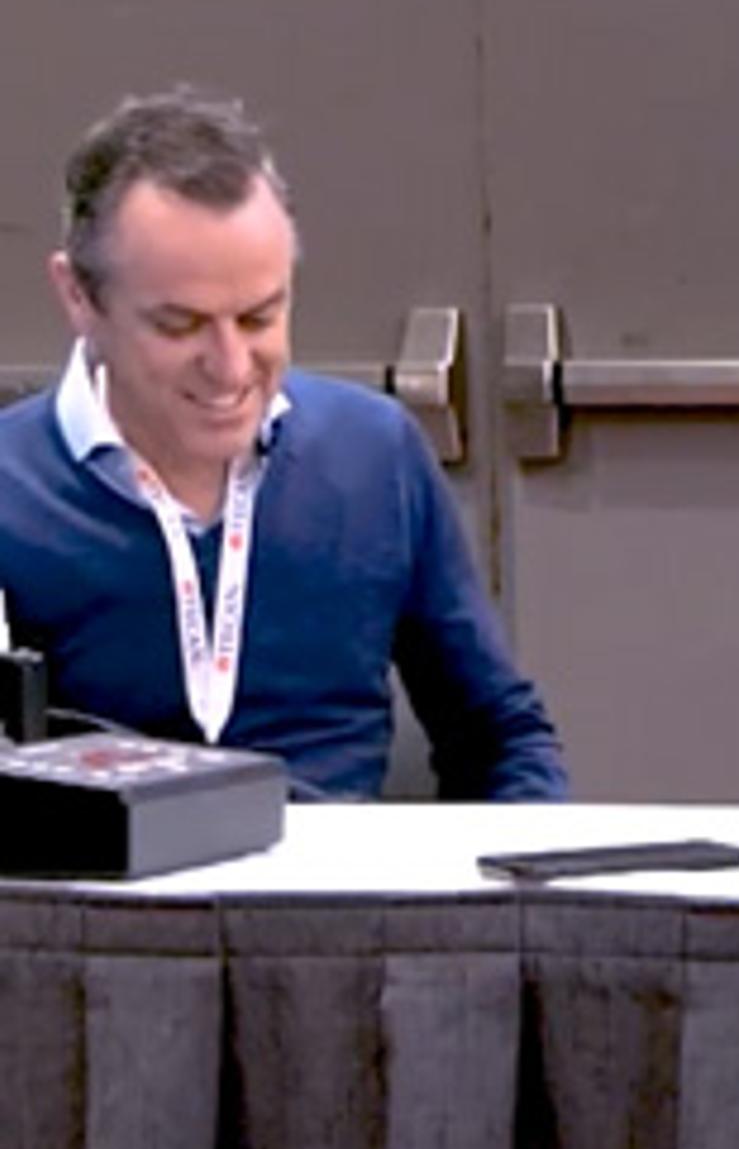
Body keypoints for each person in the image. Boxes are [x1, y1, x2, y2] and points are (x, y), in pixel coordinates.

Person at [0, 91, 563, 798]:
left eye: (259, 317)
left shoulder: (373, 454)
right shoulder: (12, 488)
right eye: (180, 326)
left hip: (342, 867)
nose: (231, 367)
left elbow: (500, 739)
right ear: (79, 296)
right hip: (98, 867)